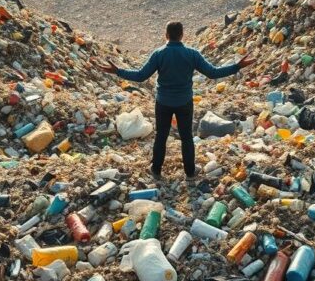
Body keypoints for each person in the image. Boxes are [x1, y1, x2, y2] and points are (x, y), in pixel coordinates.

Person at [100, 21, 254, 181]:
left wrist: (117, 71)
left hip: (163, 102)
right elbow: (212, 73)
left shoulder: (159, 54)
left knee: (161, 136)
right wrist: (237, 66)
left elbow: (140, 76)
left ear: (166, 35)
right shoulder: (192, 53)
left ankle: (156, 170)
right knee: (186, 137)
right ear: (182, 35)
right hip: (184, 102)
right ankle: (190, 172)